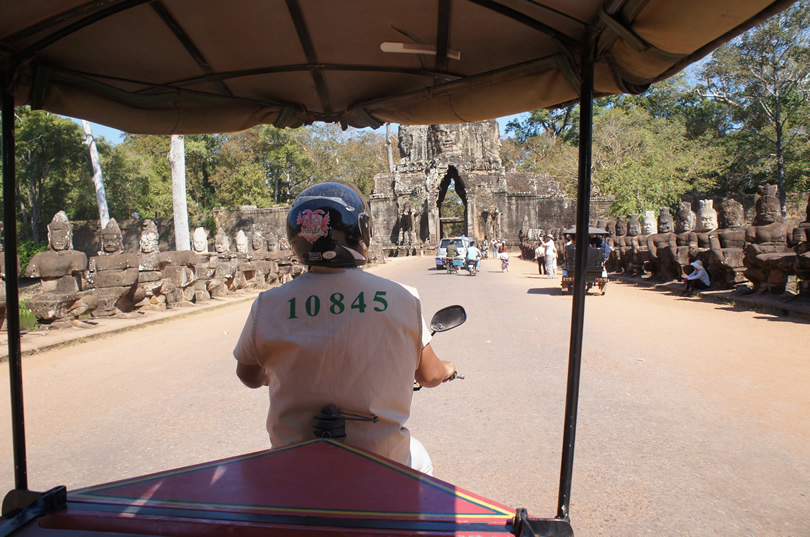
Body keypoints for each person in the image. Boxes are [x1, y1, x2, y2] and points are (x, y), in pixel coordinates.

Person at [233, 181, 455, 476]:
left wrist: (278, 373)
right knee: (421, 459)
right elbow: (429, 375)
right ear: (360, 233)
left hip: (292, 462)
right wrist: (447, 368)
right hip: (382, 463)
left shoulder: (268, 304)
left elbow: (248, 375)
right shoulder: (402, 298)